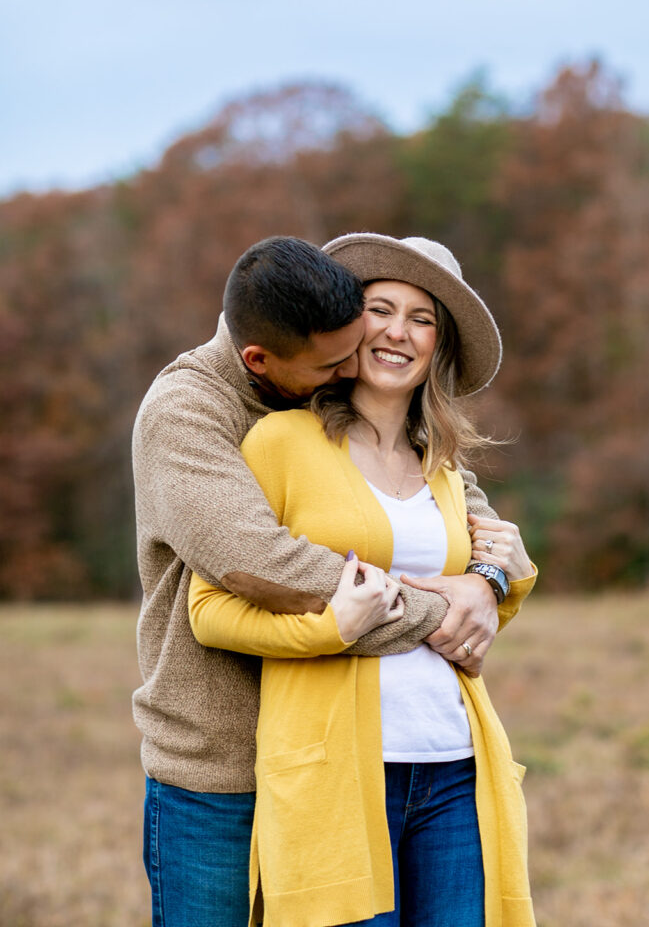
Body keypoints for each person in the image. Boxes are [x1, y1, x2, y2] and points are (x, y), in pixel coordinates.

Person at [132, 236, 514, 927]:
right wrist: (441, 613)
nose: (352, 367)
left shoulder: (344, 400)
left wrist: (485, 582)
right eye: (334, 362)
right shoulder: (192, 410)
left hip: (344, 753)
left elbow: (476, 531)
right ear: (263, 361)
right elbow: (262, 564)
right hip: (217, 764)